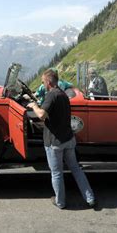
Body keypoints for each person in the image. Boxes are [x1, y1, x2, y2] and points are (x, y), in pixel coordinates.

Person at [27, 68, 95, 209]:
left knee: (57, 173)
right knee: (76, 169)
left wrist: (33, 105)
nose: (42, 84)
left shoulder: (51, 95)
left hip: (55, 142)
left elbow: (41, 115)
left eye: (43, 82)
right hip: (69, 139)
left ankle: (60, 202)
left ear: (48, 82)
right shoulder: (63, 94)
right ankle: (90, 198)